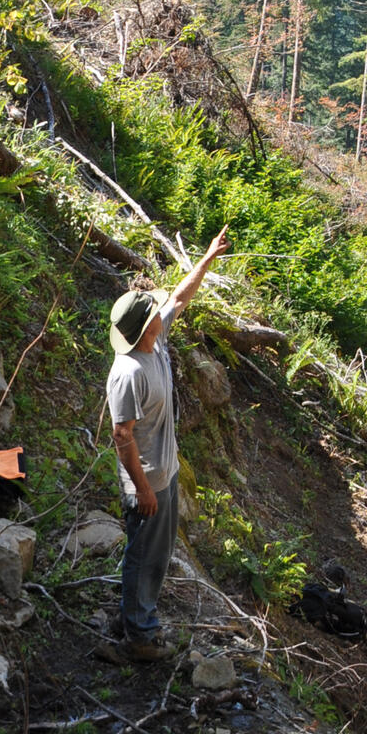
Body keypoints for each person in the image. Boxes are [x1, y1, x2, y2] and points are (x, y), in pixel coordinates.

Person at [101, 227, 231, 664]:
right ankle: (139, 637)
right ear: (144, 326)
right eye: (155, 311)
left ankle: (135, 616)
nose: (164, 310)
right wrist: (141, 488)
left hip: (166, 471)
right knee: (144, 553)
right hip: (147, 481)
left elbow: (179, 296)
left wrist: (208, 258)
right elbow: (122, 437)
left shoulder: (155, 342)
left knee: (156, 551)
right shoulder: (128, 373)